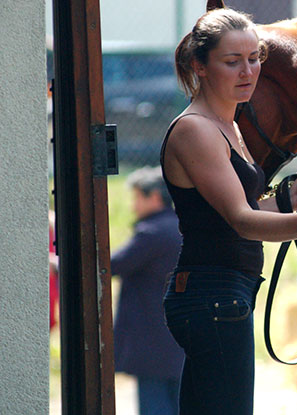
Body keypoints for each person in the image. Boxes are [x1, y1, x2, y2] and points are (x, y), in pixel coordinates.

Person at [160, 1, 297, 414]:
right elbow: (242, 221)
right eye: (232, 62)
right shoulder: (197, 130)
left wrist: (285, 201)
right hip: (212, 296)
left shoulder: (227, 125)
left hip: (221, 294)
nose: (247, 72)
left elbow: (235, 207)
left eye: (253, 58)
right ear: (200, 65)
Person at [110, 167, 184, 415]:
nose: (133, 206)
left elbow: (113, 265)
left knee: (155, 406)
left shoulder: (152, 233)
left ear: (154, 197)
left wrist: (60, 264)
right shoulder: (180, 227)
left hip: (153, 343)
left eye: (137, 198)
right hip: (179, 338)